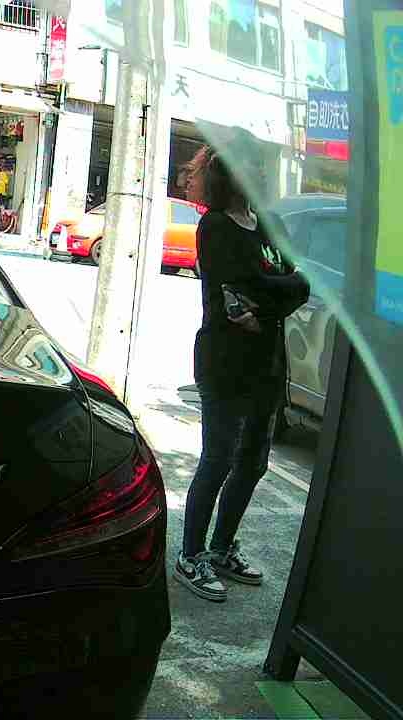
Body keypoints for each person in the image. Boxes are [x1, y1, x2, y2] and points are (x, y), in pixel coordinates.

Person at [175, 136, 310, 603]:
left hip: (267, 363)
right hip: (225, 363)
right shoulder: (215, 227)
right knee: (218, 459)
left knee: (253, 463)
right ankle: (191, 554)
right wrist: (275, 291)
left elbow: (299, 284)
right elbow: (236, 298)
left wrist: (268, 296)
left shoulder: (268, 226)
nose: (261, 174)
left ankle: (221, 547)